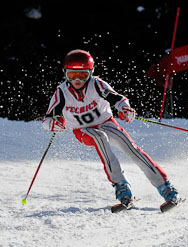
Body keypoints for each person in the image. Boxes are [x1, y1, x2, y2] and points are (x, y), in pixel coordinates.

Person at [42, 49, 180, 210]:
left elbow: (118, 98)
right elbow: (47, 119)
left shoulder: (96, 84)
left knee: (131, 149)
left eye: (83, 75)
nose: (77, 80)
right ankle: (122, 188)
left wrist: (125, 109)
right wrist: (54, 123)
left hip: (107, 123)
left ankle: (166, 187)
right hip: (83, 130)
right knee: (99, 137)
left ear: (90, 73)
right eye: (72, 76)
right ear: (65, 74)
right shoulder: (62, 92)